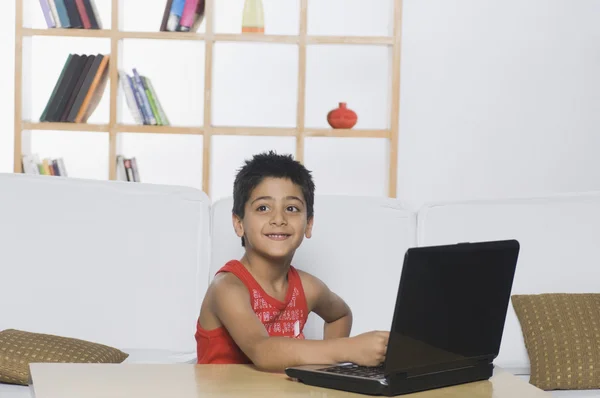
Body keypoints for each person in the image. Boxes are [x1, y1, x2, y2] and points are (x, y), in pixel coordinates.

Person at [195, 151, 389, 371]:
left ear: (308, 224)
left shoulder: (308, 288)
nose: (279, 219)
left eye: (292, 209)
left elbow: (340, 315)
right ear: (239, 224)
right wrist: (346, 349)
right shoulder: (227, 288)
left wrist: (325, 374)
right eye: (263, 208)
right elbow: (263, 351)